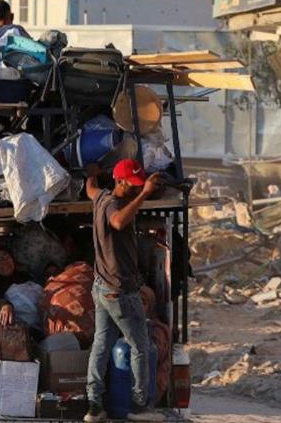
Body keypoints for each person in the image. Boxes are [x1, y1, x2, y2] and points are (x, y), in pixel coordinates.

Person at [84, 159, 164, 423]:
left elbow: (90, 187)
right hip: (120, 291)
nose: (136, 188)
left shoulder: (100, 196)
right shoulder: (115, 206)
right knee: (140, 345)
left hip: (101, 286)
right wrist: (145, 194)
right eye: (133, 185)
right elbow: (118, 222)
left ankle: (95, 406)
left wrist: (94, 172)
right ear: (120, 182)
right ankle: (140, 407)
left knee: (102, 344)